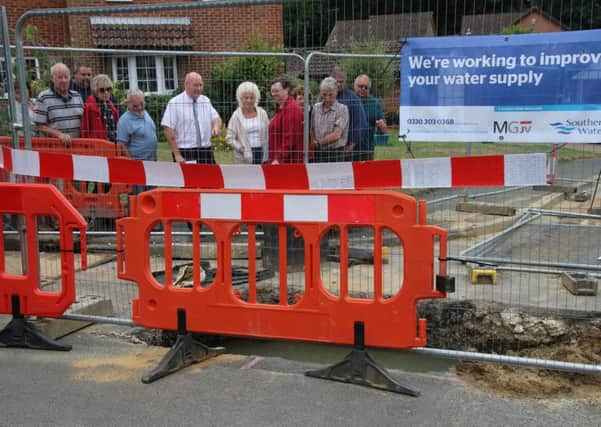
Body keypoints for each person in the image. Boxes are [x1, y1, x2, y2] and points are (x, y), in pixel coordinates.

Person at [161, 72, 222, 164]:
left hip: (206, 150)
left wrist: (216, 127)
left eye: (201, 85)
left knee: (210, 177)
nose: (199, 88)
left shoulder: (205, 100)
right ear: (186, 85)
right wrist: (177, 154)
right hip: (185, 150)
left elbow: (216, 118)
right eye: (195, 85)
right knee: (189, 178)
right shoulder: (174, 103)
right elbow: (167, 129)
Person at [116, 88, 158, 194]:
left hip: (151, 163)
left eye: (142, 104)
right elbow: (121, 145)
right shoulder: (124, 121)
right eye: (135, 105)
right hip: (137, 166)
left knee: (152, 193)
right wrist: (132, 164)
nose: (139, 108)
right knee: (139, 195)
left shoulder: (145, 113)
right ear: (128, 104)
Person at [33, 62, 84, 145]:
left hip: (76, 147)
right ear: (52, 78)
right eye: (60, 77)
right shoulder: (44, 97)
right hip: (54, 149)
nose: (64, 80)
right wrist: (59, 135)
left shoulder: (77, 96)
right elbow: (39, 126)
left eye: (66, 77)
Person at [226, 81, 269, 164]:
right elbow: (229, 138)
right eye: (246, 98)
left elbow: (268, 133)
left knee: (261, 176)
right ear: (240, 98)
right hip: (244, 155)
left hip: (261, 152)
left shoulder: (262, 113)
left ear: (256, 98)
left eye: (252, 97)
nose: (249, 100)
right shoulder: (236, 115)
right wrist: (240, 148)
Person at [331, 66, 368, 161]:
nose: (339, 84)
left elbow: (360, 123)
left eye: (341, 82)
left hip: (345, 149)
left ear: (345, 81)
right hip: (327, 147)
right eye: (336, 81)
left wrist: (350, 146)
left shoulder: (353, 98)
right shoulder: (325, 96)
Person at [310, 77, 349, 163]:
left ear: (336, 92)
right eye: (324, 95)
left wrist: (319, 143)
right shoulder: (316, 108)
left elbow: (336, 134)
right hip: (318, 152)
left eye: (330, 95)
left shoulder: (342, 109)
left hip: (335, 153)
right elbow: (311, 128)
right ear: (320, 93)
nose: (327, 98)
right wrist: (313, 141)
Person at [268, 78, 304, 164]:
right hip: (281, 160)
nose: (273, 94)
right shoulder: (282, 108)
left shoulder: (291, 109)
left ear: (286, 90)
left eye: (276, 91)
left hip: (288, 162)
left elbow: (290, 138)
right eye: (272, 91)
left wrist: (278, 159)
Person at [354, 74, 388, 160]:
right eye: (360, 86)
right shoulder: (348, 99)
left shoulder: (375, 103)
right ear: (354, 86)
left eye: (366, 87)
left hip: (367, 148)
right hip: (348, 148)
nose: (363, 89)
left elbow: (384, 128)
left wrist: (381, 126)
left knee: (366, 173)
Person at [80, 74, 119, 142]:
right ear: (95, 91)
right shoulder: (89, 107)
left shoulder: (112, 107)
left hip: (112, 145)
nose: (106, 92)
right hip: (97, 147)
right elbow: (84, 131)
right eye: (102, 90)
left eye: (108, 89)